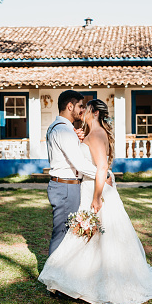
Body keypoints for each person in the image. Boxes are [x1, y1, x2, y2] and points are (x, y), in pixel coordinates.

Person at [39, 99, 152, 304]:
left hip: (95, 190)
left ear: (94, 112)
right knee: (90, 237)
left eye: (85, 109)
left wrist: (97, 196)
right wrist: (80, 138)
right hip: (89, 187)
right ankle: (78, 276)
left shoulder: (96, 134)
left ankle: (89, 279)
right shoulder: (91, 134)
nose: (82, 113)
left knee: (98, 236)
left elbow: (101, 166)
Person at [46, 90, 107, 256]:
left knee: (68, 233)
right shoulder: (63, 131)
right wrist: (103, 175)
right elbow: (79, 163)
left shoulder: (62, 128)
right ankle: (53, 279)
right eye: (80, 106)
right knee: (62, 235)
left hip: (65, 185)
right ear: (69, 106)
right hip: (65, 187)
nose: (82, 110)